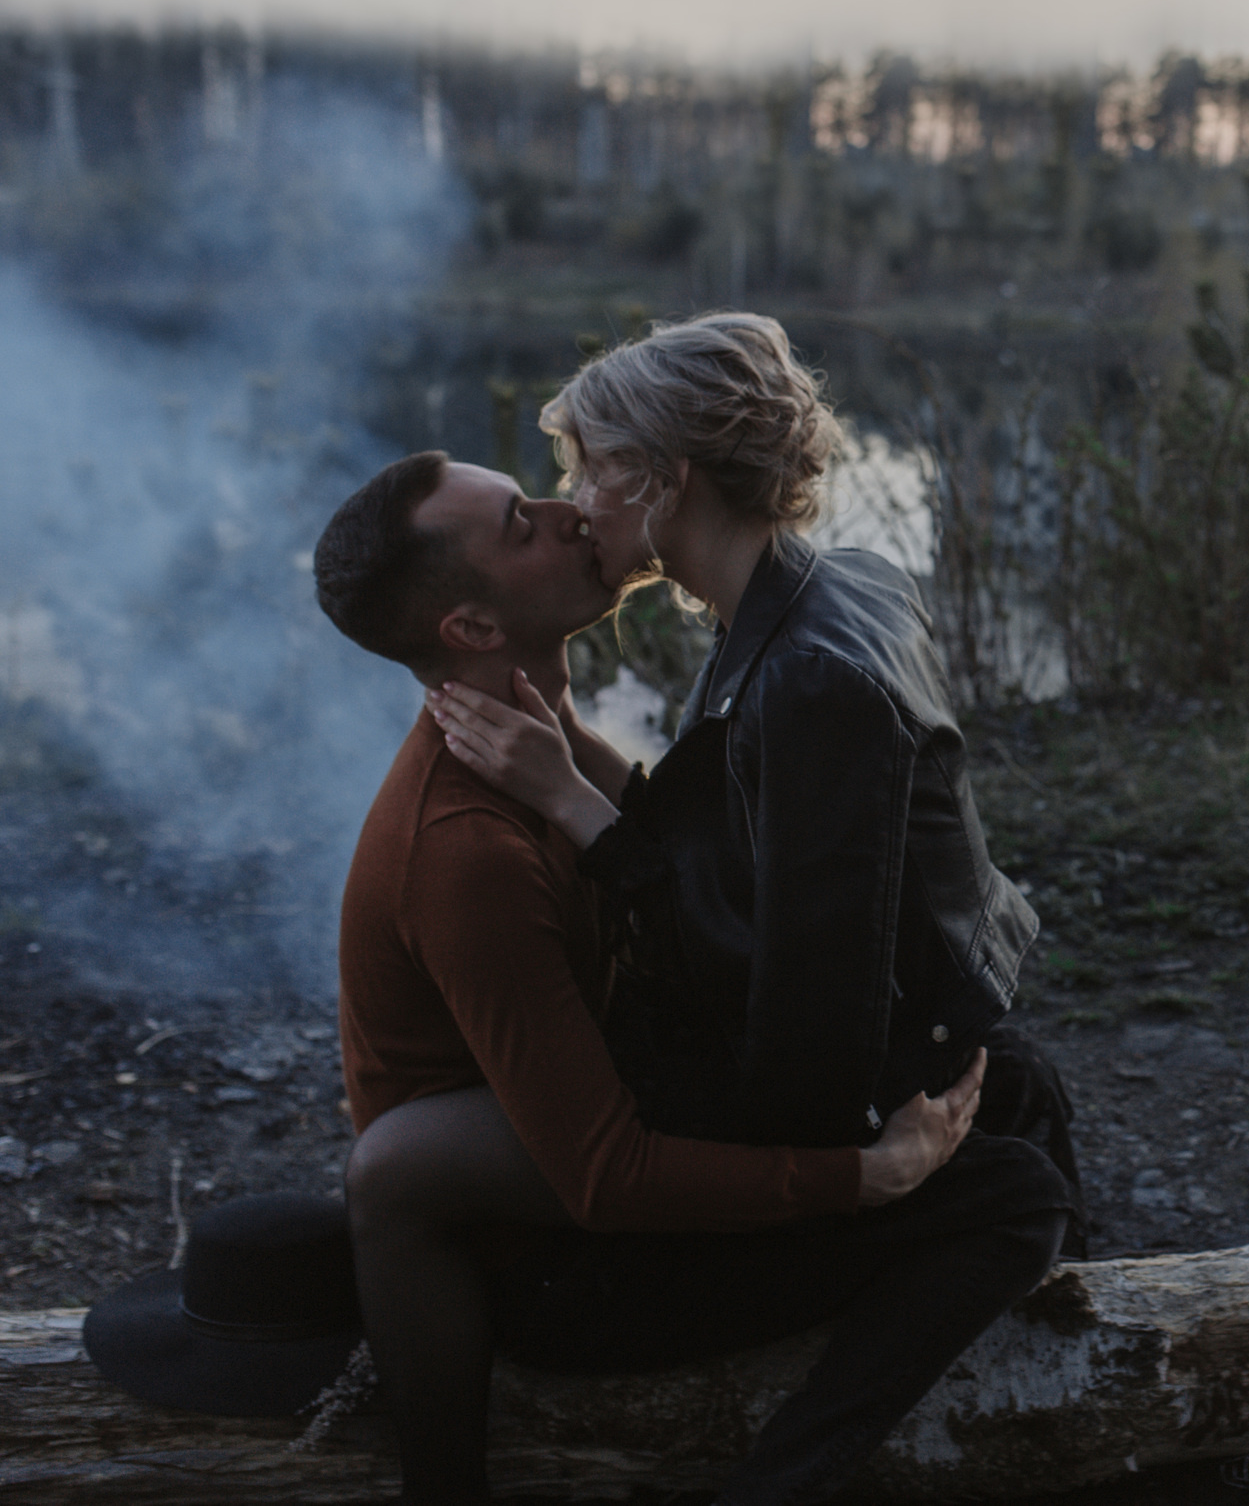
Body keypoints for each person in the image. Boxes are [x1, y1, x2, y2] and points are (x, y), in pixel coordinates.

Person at [313, 441, 1075, 1506]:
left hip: (625, 1127)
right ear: (473, 630)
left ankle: (1052, 1362)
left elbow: (677, 864)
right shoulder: (464, 852)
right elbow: (607, 1177)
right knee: (1008, 1193)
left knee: (1011, 1078)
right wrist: (863, 1176)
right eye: (522, 523)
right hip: (566, 1270)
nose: (566, 510)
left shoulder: (534, 734)